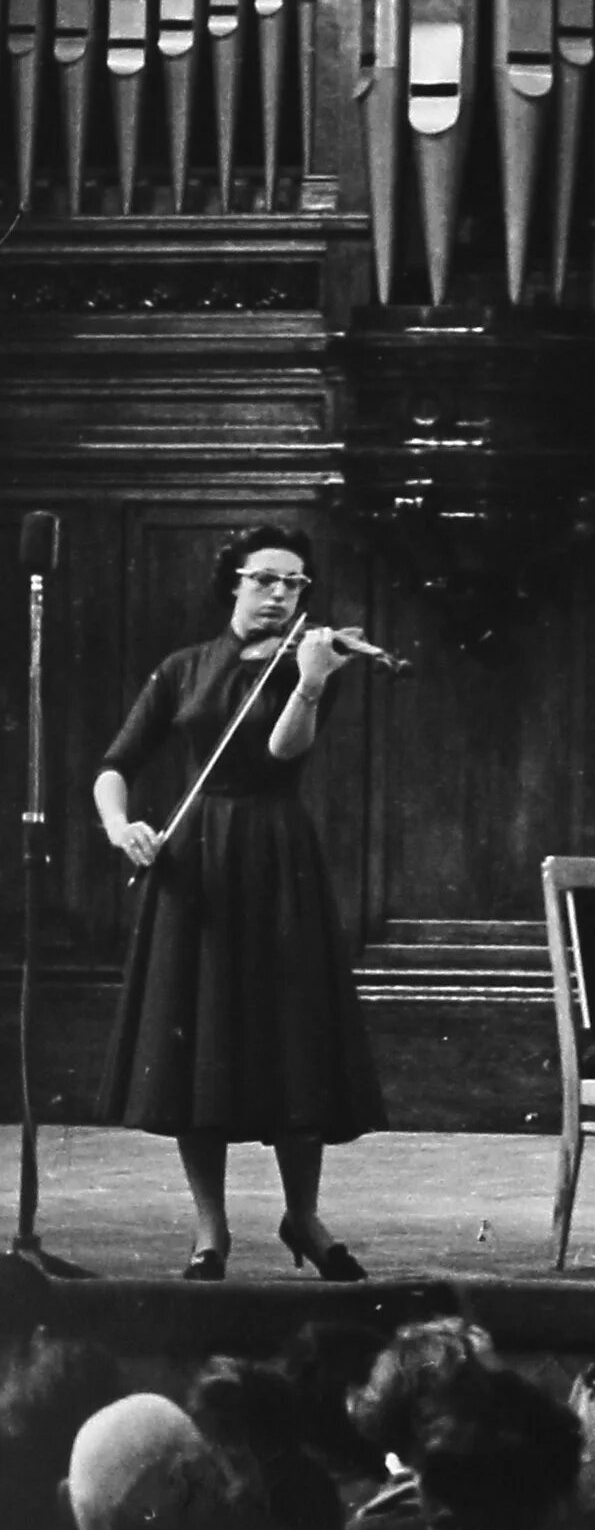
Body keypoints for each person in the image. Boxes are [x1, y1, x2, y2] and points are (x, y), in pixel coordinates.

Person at [93, 526, 383, 1281]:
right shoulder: (183, 668)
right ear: (234, 584)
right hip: (197, 863)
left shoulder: (309, 661)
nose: (281, 595)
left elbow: (284, 754)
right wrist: (121, 827)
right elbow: (115, 766)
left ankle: (303, 1215)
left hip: (275, 851)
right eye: (266, 580)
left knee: (295, 1037)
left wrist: (314, 679)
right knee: (203, 1042)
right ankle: (210, 1228)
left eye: (294, 584)